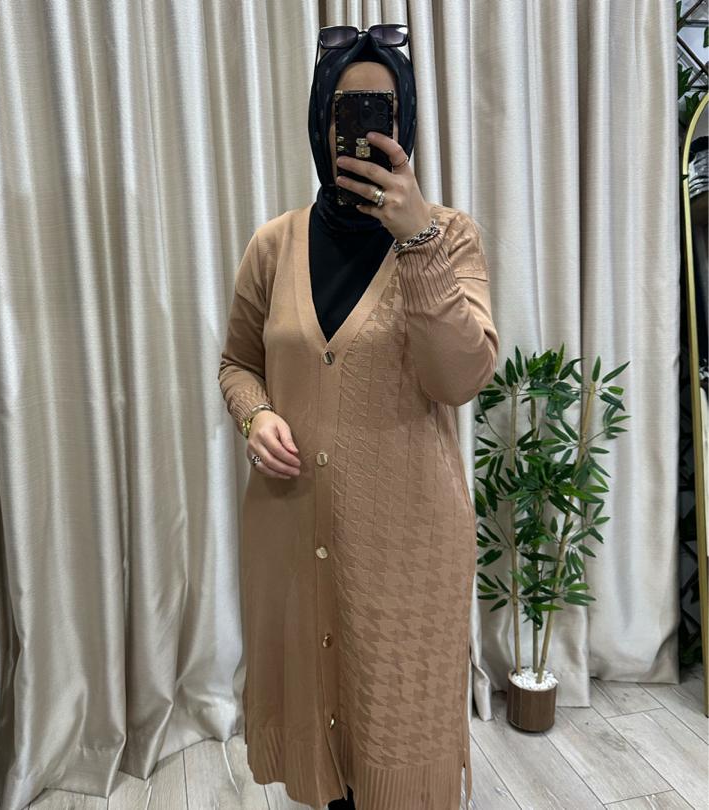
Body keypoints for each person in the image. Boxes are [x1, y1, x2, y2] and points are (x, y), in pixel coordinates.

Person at [218, 24, 499, 810]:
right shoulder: (273, 246)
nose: (365, 132)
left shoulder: (450, 237)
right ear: (320, 121)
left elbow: (460, 378)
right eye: (348, 111)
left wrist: (418, 240)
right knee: (322, 751)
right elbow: (237, 362)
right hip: (291, 532)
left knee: (395, 739)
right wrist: (255, 416)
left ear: (405, 125)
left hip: (407, 548)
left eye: (383, 113)